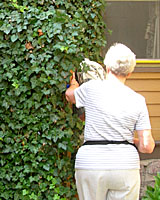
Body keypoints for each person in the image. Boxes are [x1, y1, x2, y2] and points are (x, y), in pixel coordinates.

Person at [65, 43, 155, 200]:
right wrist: (130, 141)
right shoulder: (138, 100)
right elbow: (146, 146)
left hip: (91, 163)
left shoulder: (92, 88)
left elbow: (70, 96)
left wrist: (74, 83)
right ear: (130, 72)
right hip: (125, 165)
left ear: (106, 66)